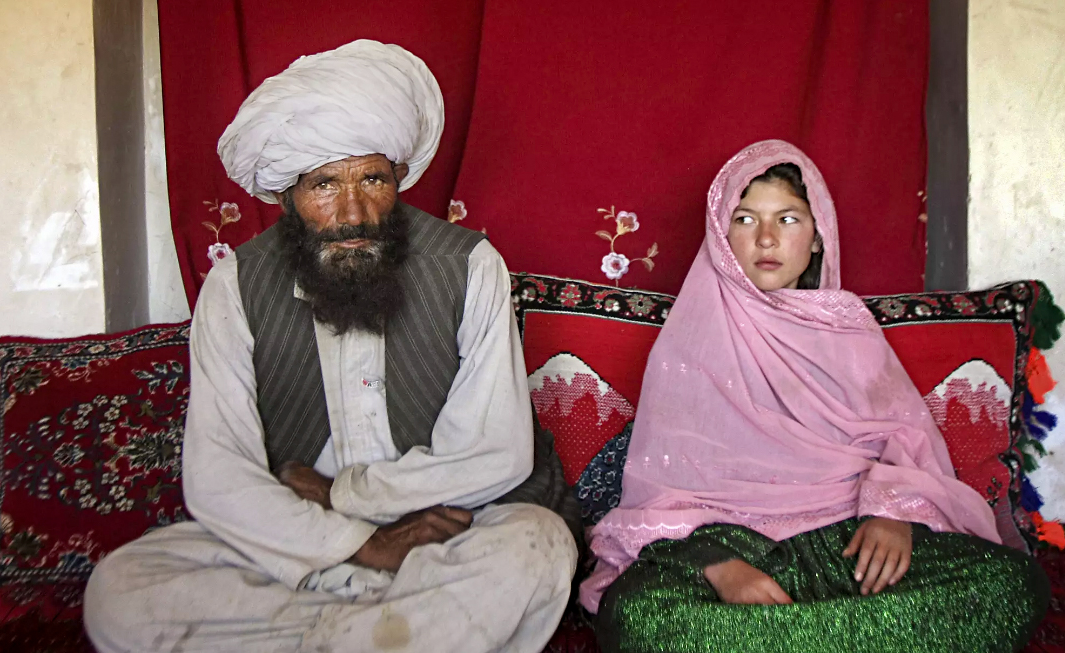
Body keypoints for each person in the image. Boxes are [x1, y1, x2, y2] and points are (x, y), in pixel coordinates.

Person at [84, 40, 578, 653]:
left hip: (443, 534)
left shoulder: (469, 264)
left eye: (372, 179)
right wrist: (360, 543)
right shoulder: (235, 285)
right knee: (122, 588)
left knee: (536, 544)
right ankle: (392, 633)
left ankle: (351, 632)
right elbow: (218, 475)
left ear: (397, 179)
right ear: (287, 197)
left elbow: (495, 454)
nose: (353, 213)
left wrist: (347, 494)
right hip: (301, 542)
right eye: (324, 184)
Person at [581, 140, 1048, 652]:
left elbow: (904, 439)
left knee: (1011, 585)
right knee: (635, 614)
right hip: (729, 544)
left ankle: (773, 641)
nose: (765, 239)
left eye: (787, 219)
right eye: (744, 219)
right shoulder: (688, 341)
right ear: (720, 235)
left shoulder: (846, 329)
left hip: (849, 540)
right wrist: (718, 565)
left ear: (818, 235)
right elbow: (663, 493)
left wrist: (893, 514)